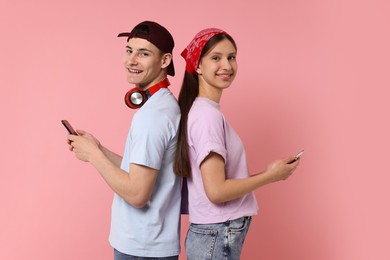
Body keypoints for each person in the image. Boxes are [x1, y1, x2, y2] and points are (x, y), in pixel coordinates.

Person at [174, 28, 301, 259]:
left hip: (214, 232)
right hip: (217, 231)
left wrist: (270, 171)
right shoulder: (207, 117)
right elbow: (216, 191)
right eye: (216, 57)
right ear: (198, 66)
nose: (227, 65)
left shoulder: (204, 112)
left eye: (231, 57)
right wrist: (271, 176)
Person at [67, 21, 181, 259]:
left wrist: (94, 156)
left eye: (143, 53)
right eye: (129, 50)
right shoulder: (162, 106)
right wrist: (100, 149)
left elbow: (138, 194)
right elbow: (142, 171)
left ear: (164, 61)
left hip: (142, 247)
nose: (131, 60)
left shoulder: (153, 117)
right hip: (147, 243)